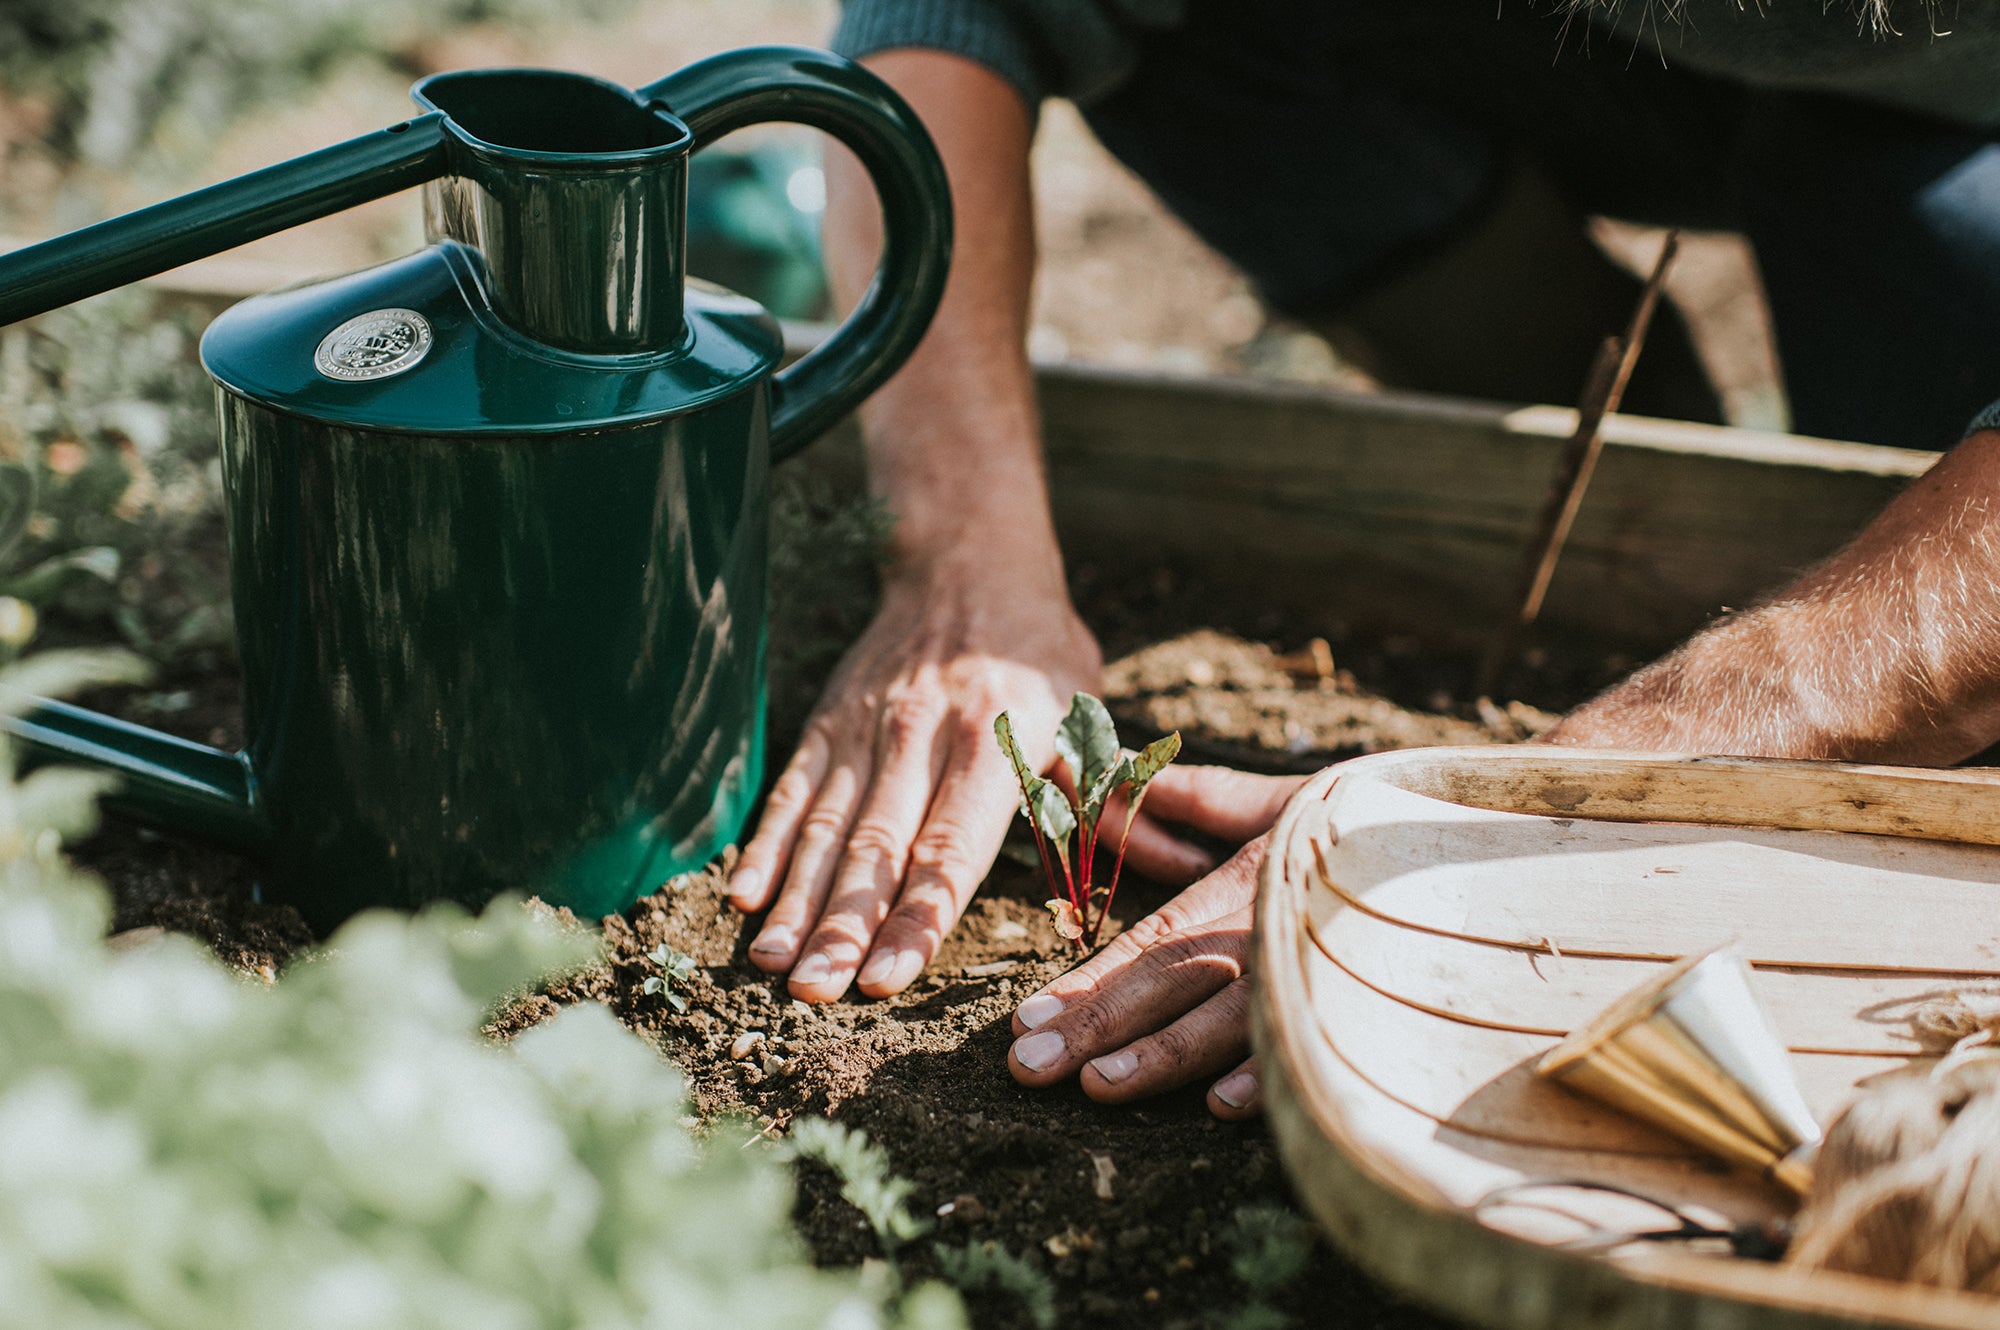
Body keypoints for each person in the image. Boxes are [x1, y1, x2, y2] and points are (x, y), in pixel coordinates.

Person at [726, 0, 2000, 1117]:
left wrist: (1563, 791)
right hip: (1559, 49)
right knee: (1192, 50)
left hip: (1954, 105)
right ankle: (1591, 406)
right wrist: (964, 565)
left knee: (1911, 528)